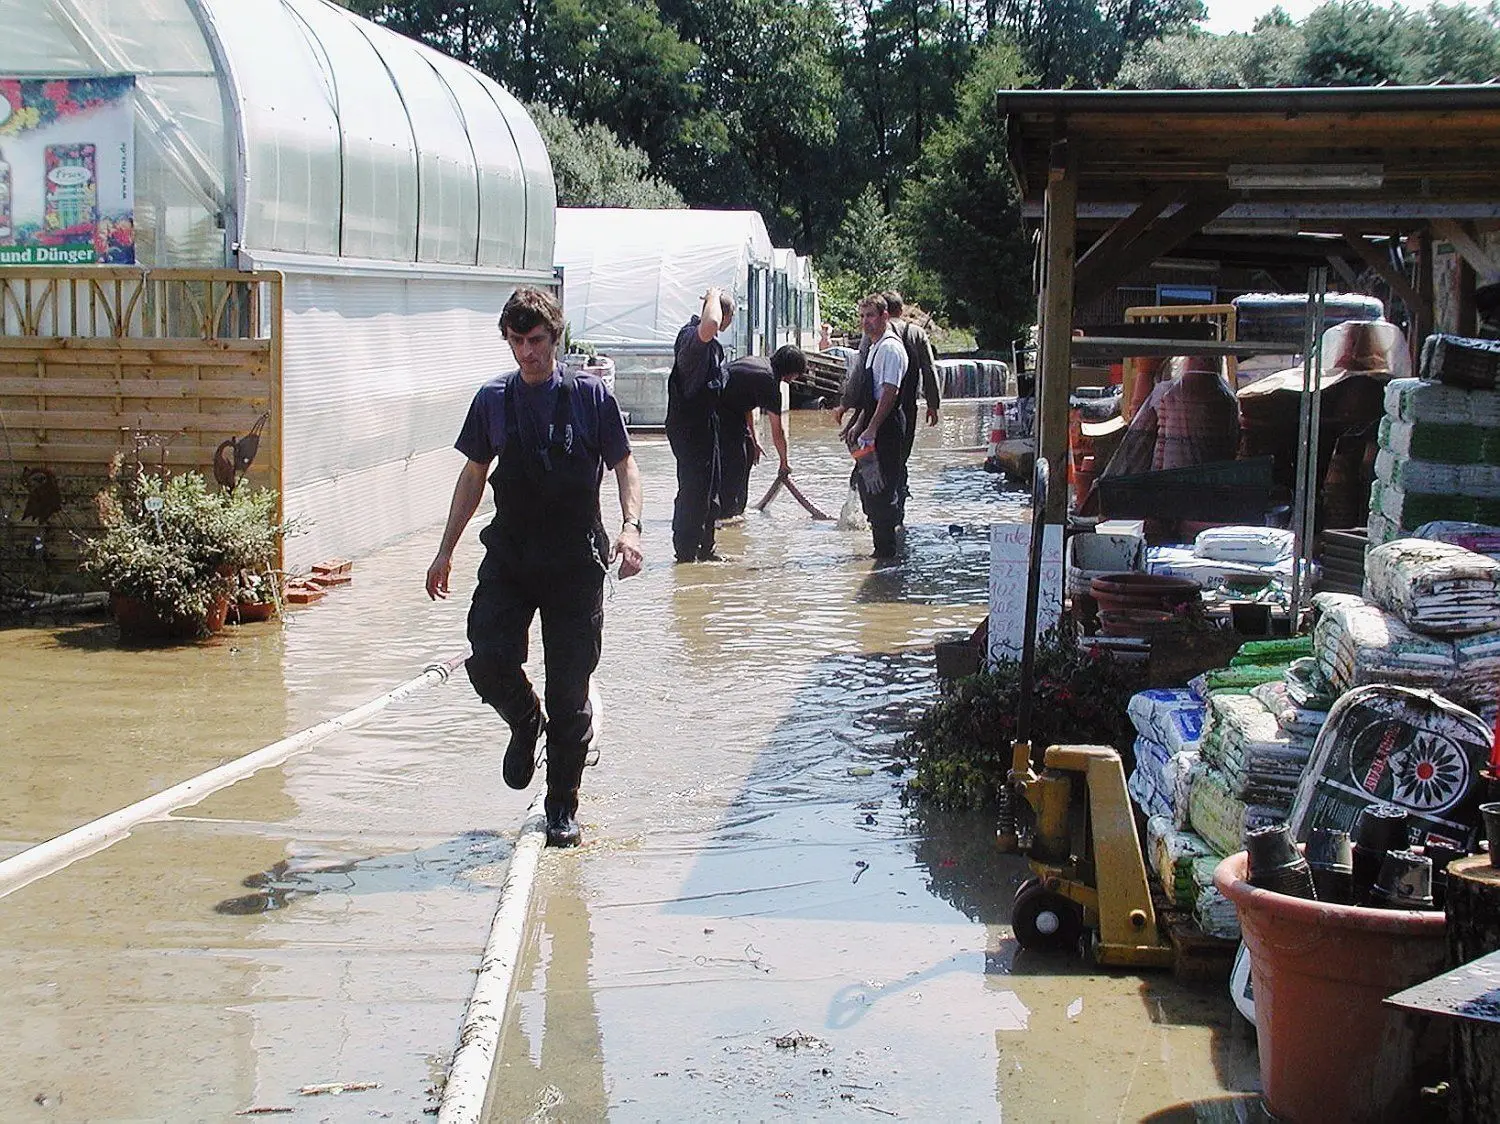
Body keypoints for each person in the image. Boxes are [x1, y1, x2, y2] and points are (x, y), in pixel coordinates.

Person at [425, 287, 643, 848]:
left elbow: (625, 465)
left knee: (569, 691)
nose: (527, 354)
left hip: (575, 562)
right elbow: (473, 475)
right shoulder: (493, 400)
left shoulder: (591, 398)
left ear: (556, 338)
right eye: (517, 342)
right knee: (486, 654)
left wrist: (631, 528)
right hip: (513, 558)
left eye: (537, 341)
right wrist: (446, 549)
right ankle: (525, 721)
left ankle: (561, 807)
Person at [667, 287, 733, 562]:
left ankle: (706, 549)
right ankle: (685, 554)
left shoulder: (712, 346)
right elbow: (711, 325)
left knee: (711, 488)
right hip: (689, 426)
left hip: (707, 423)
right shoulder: (693, 338)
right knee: (693, 491)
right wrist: (714, 296)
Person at [714, 344, 808, 519]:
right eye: (797, 374)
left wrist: (754, 440)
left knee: (747, 451)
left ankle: (735, 511)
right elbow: (777, 431)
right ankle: (726, 515)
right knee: (735, 461)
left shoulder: (759, 364)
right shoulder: (769, 381)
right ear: (791, 371)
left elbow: (745, 405)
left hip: (726, 409)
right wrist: (784, 462)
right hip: (718, 411)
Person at [848, 293, 908, 557]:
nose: (866, 322)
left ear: (885, 316)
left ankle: (887, 555)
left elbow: (889, 392)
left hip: (887, 427)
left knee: (883, 489)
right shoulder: (874, 346)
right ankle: (879, 549)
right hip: (872, 425)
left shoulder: (890, 348)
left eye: (871, 315)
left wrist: (872, 428)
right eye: (862, 316)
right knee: (868, 483)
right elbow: (870, 393)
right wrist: (859, 423)